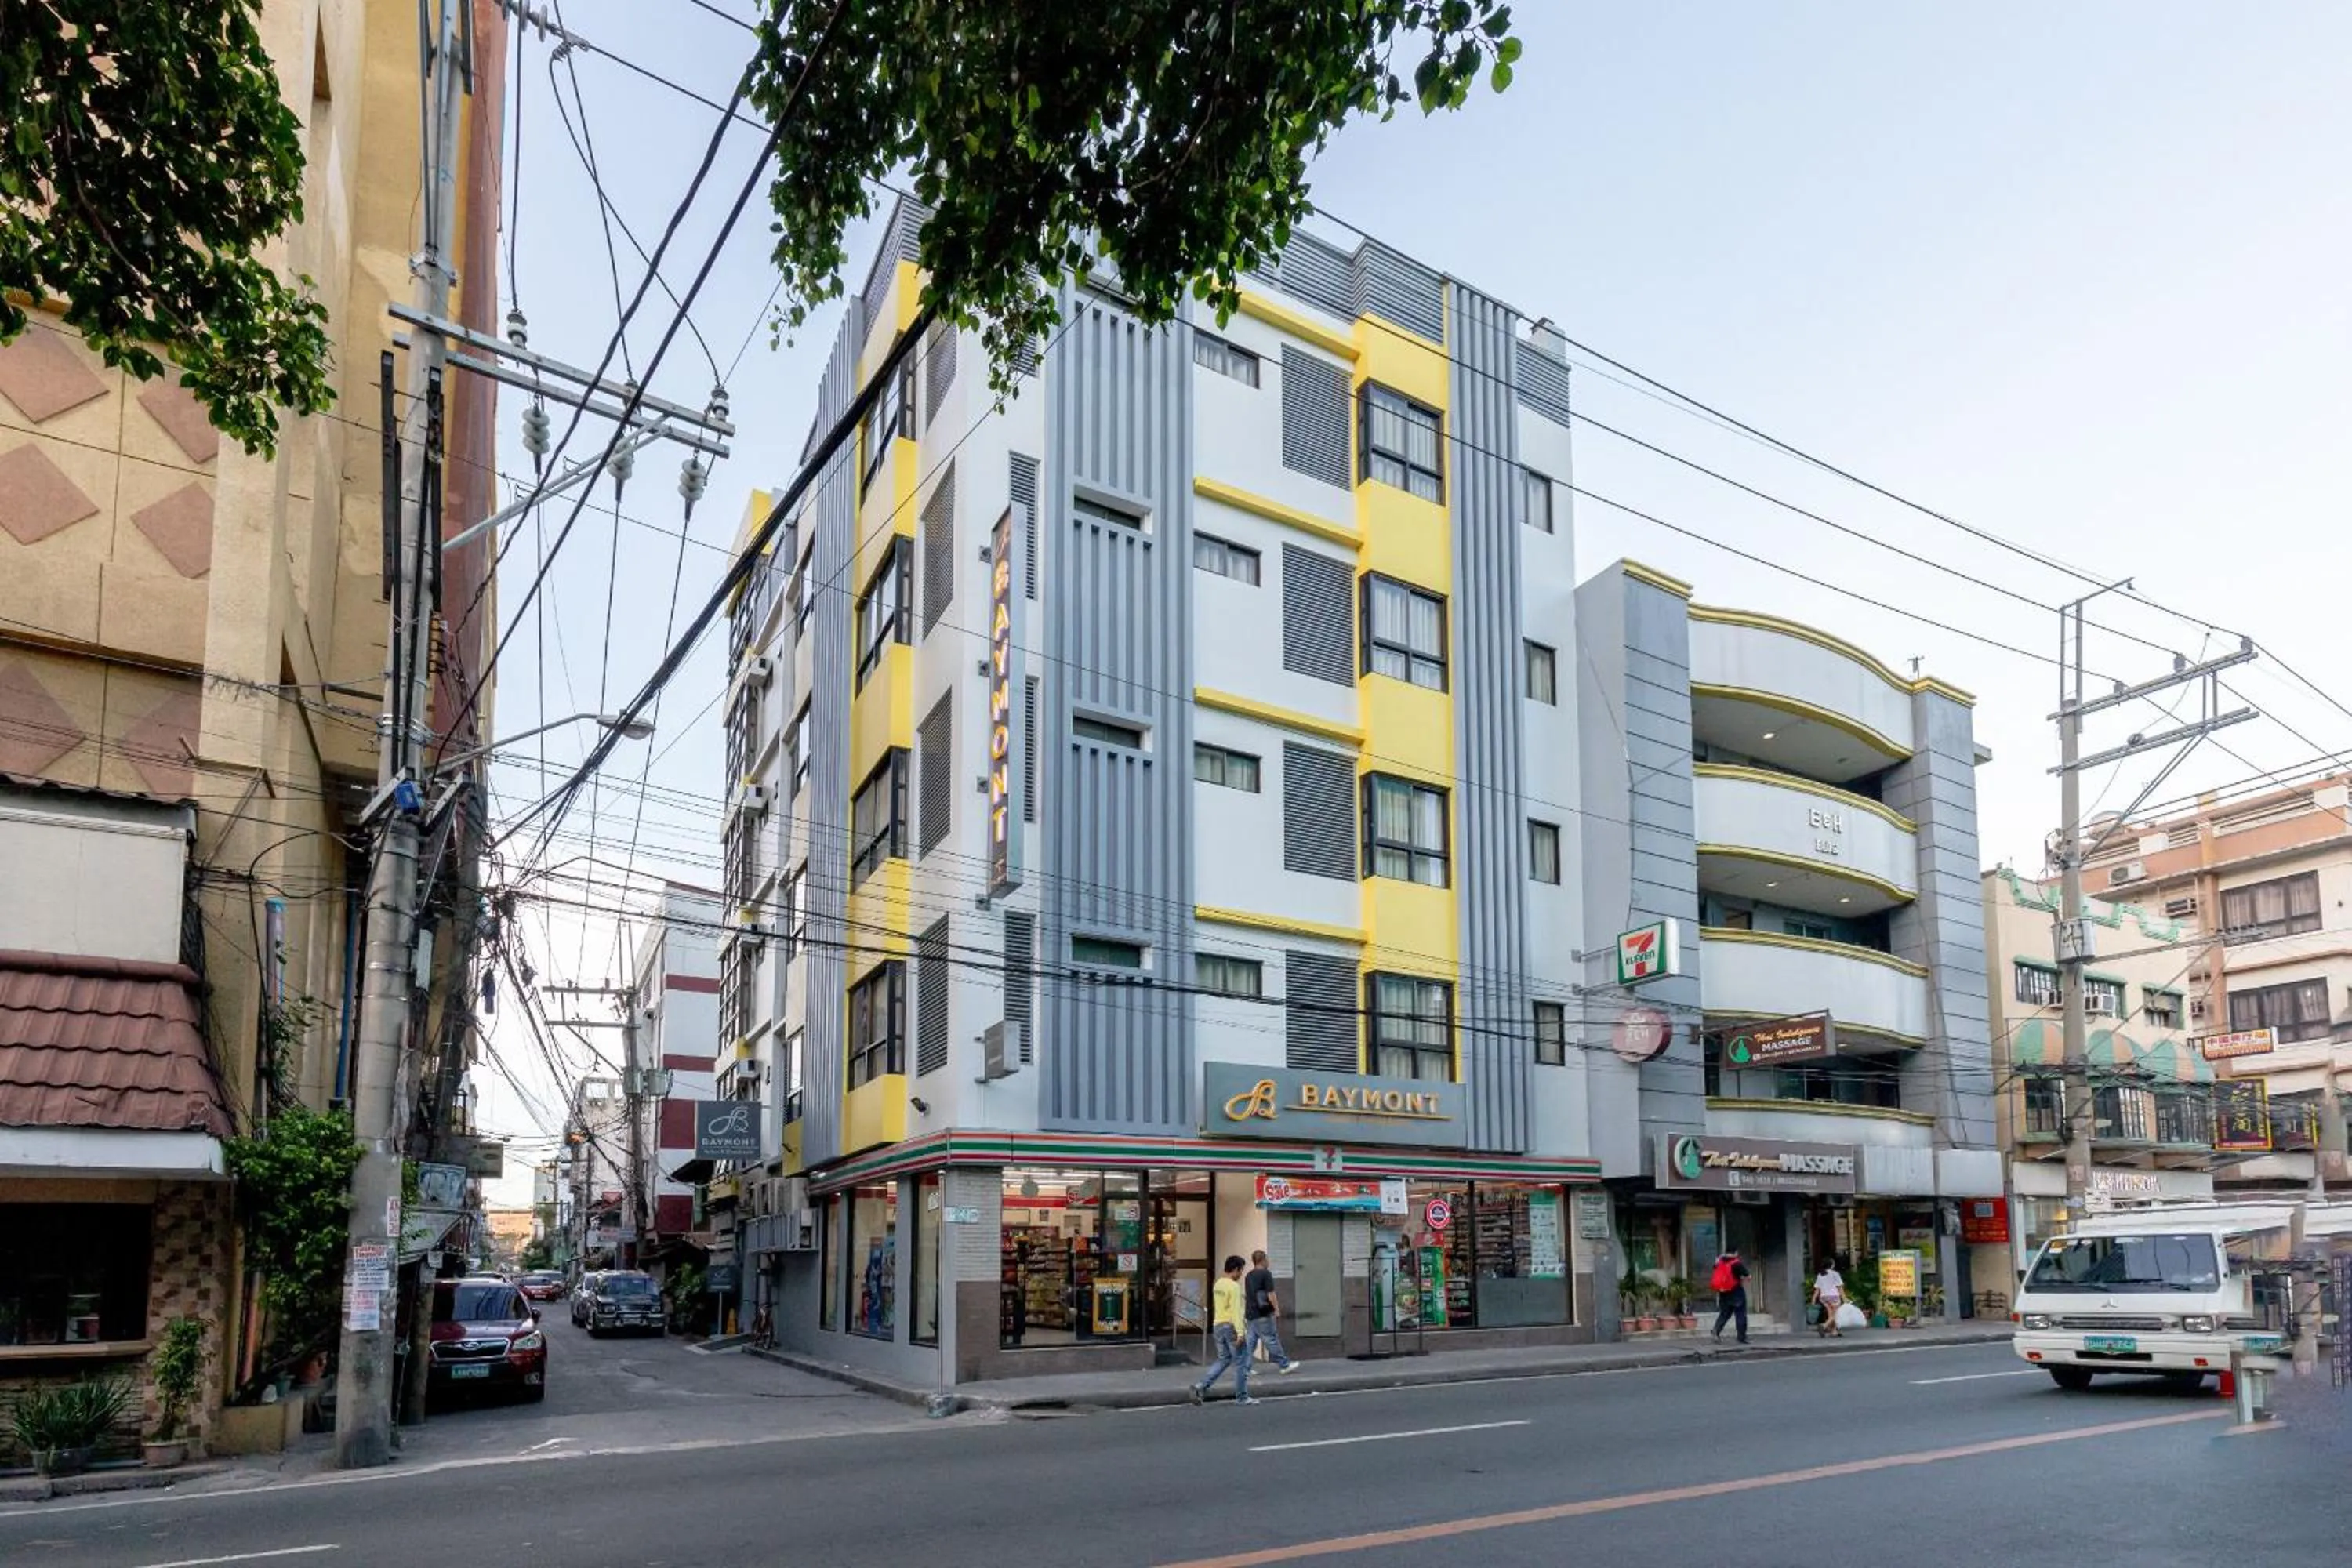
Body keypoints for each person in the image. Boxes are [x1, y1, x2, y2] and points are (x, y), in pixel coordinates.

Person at [1191, 1256, 1258, 1406]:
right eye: (1241, 1270)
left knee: (1224, 1359)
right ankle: (1242, 1397)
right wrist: (1240, 1332)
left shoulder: (1218, 1284)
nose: (1241, 1274)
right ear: (1236, 1269)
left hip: (1218, 1326)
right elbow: (1236, 1311)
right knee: (1241, 1363)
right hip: (1231, 1327)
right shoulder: (1234, 1287)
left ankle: (1201, 1386)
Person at [1243, 1250, 1299, 1374]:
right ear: (1263, 1260)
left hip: (1251, 1314)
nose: (1268, 1261)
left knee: (1250, 1342)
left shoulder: (1249, 1275)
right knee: (1271, 1339)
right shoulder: (1266, 1274)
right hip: (1263, 1313)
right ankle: (1284, 1365)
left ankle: (1245, 1368)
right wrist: (1276, 1309)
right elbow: (1271, 1294)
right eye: (1267, 1259)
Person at [1709, 1250, 1750, 1345]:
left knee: (1724, 1314)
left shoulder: (1719, 1261)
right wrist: (1743, 1278)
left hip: (1723, 1292)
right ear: (1735, 1252)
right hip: (1736, 1292)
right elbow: (1748, 1276)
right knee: (1740, 1314)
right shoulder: (1736, 1263)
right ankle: (1741, 1337)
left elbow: (1716, 1272)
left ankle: (1716, 1330)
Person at [1811, 1258, 1846, 1338]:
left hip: (1824, 1297)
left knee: (1831, 1315)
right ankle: (1824, 1326)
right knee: (1836, 1315)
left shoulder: (1820, 1275)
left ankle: (1834, 1332)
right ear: (1832, 1265)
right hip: (1834, 1297)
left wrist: (1814, 1298)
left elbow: (1817, 1288)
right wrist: (1844, 1298)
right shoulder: (1835, 1274)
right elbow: (1840, 1287)